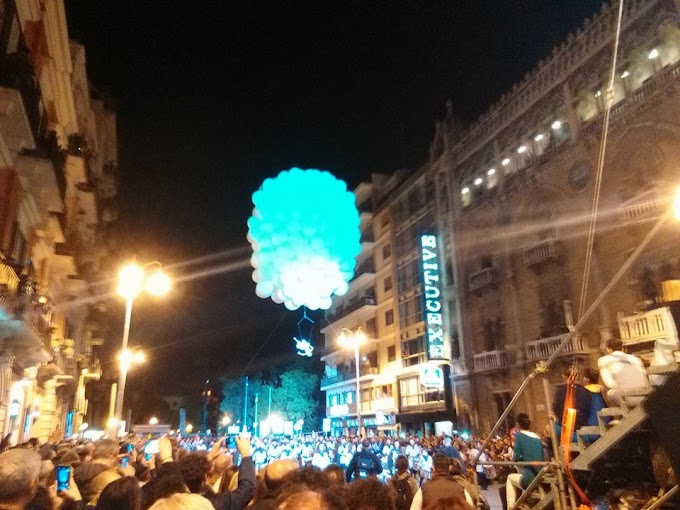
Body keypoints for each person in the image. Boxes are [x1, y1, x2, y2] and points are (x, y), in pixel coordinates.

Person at [506, 413, 544, 510]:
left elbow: (516, 457)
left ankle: (510, 506)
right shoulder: (537, 438)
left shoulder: (519, 436)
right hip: (540, 474)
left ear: (518, 424)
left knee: (510, 478)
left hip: (529, 478)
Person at [598, 337, 650, 406]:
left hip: (627, 398)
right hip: (645, 397)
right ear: (622, 348)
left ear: (608, 349)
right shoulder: (635, 358)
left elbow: (609, 384)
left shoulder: (604, 360)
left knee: (610, 393)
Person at [552, 367, 591, 440]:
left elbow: (556, 409)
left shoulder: (559, 392)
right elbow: (588, 410)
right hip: (582, 425)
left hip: (566, 427)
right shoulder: (585, 391)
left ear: (564, 377)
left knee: (550, 428)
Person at [582, 367, 609, 442]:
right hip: (606, 426)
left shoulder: (583, 393)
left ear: (586, 379)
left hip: (591, 432)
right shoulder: (603, 391)